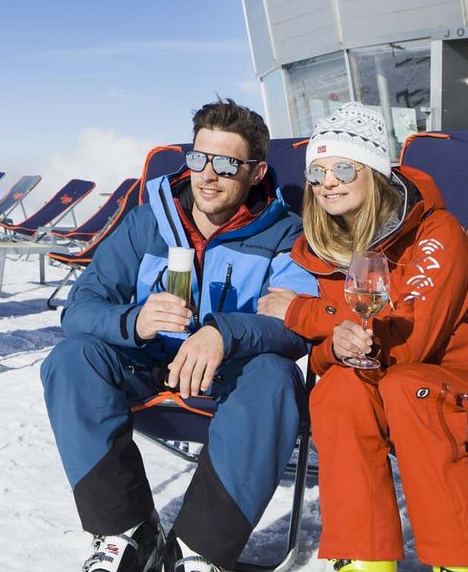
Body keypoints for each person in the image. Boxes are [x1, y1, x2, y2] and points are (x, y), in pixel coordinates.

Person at [257, 103, 468, 572]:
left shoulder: (440, 233)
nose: (327, 181)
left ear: (373, 171)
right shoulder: (329, 249)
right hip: (401, 385)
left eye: (342, 167)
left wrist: (302, 312)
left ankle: (465, 564)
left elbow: (409, 339)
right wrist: (334, 346)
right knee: (338, 389)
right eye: (316, 171)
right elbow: (338, 351)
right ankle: (366, 560)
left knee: (410, 386)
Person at [42, 99, 319, 572]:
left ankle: (198, 550)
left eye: (227, 164)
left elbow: (296, 325)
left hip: (233, 375)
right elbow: (80, 310)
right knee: (72, 358)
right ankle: (127, 532)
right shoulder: (147, 223)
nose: (207, 175)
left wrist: (222, 334)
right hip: (147, 365)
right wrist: (133, 321)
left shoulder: (285, 233)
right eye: (198, 159)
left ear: (256, 173)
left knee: (276, 376)